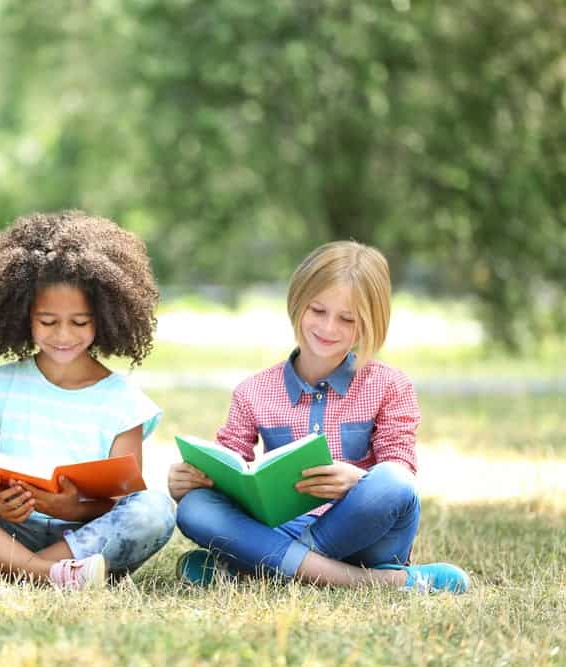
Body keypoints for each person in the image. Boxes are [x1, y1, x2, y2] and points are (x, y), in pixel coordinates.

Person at [168, 241, 470, 593]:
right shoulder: (253, 391)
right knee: (195, 508)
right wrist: (190, 482)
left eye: (347, 319)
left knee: (392, 482)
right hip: (284, 526)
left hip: (367, 535)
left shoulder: (390, 385)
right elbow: (229, 467)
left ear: (370, 324)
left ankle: (250, 568)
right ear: (298, 304)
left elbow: (400, 470)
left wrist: (358, 480)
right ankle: (376, 581)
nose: (328, 328)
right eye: (318, 311)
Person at [0, 211, 175, 589]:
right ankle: (49, 575)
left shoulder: (126, 402)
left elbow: (119, 502)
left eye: (80, 322)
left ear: (107, 318)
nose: (63, 335)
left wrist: (64, 507)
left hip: (84, 538)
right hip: (6, 529)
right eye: (48, 322)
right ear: (23, 316)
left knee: (154, 509)